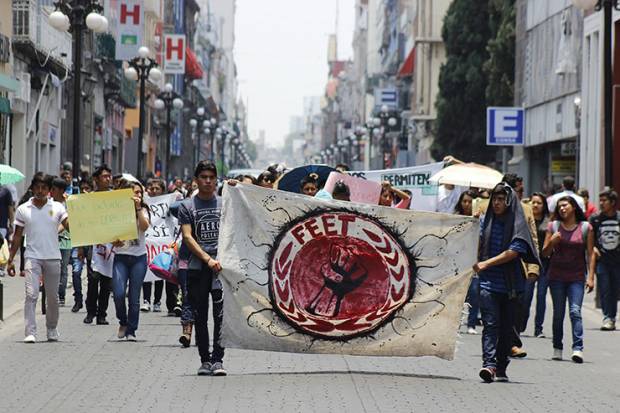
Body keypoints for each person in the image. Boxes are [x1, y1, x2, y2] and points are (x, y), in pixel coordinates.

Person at [473, 183, 540, 383]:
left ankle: (501, 365)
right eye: (494, 199)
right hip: (488, 284)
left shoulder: (518, 223)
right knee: (490, 325)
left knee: (506, 329)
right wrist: (473, 226)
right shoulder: (486, 221)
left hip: (511, 287)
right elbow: (474, 243)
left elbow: (514, 251)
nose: (497, 203)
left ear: (509, 201)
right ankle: (489, 365)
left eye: (501, 199)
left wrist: (486, 263)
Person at [7, 173, 69, 343]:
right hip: (32, 256)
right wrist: (11, 259)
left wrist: (72, 205)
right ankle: (30, 331)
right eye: (37, 187)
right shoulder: (23, 209)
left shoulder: (57, 207)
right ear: (32, 188)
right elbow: (18, 236)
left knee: (52, 297)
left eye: (44, 188)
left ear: (50, 190)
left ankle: (51, 328)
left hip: (53, 257)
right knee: (31, 294)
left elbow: (70, 225)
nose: (40, 191)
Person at [178, 161, 226, 376]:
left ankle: (218, 360)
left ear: (216, 179)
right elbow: (187, 237)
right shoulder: (187, 207)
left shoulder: (225, 204)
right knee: (200, 315)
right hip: (198, 267)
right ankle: (204, 360)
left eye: (211, 177)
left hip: (221, 269)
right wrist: (207, 259)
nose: (208, 181)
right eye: (203, 177)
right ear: (196, 180)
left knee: (220, 315)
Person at [542, 196, 594, 363]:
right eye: (559, 207)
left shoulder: (585, 227)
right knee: (558, 314)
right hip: (556, 277)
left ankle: (577, 348)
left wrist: (591, 277)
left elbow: (591, 253)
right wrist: (552, 241)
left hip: (577, 277)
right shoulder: (553, 226)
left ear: (573, 207)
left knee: (575, 311)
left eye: (565, 205)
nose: (562, 209)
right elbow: (545, 253)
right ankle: (557, 347)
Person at [112, 181, 150, 341]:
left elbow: (144, 226)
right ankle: (123, 321)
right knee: (118, 293)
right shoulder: (117, 210)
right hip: (121, 257)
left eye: (140, 193)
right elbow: (109, 231)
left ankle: (131, 330)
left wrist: (138, 208)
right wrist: (113, 240)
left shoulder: (144, 210)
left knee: (134, 297)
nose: (138, 195)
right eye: (135, 192)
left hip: (138, 259)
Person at [82, 165, 114, 323]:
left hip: (110, 246)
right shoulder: (89, 198)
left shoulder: (116, 198)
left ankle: (102, 314)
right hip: (92, 246)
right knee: (93, 280)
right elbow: (83, 223)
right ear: (96, 179)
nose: (108, 179)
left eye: (109, 176)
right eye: (104, 176)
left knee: (107, 282)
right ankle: (90, 312)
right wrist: (81, 248)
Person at [589, 188, 620, 331]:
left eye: (604, 200)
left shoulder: (619, 218)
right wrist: (593, 248)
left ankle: (612, 316)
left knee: (615, 289)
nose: (601, 203)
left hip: (617, 261)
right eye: (600, 200)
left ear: (612, 202)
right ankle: (608, 318)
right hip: (602, 260)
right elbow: (590, 239)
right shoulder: (595, 219)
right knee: (605, 289)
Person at [521, 192, 550, 338]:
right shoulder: (526, 219)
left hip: (545, 264)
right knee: (526, 295)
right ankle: (522, 324)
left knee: (541, 295)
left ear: (544, 205)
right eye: (533, 202)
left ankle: (538, 328)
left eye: (539, 203)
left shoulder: (548, 222)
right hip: (529, 262)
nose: (536, 205)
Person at [455, 190, 479, 334]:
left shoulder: (479, 219)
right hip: (458, 262)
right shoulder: (456, 218)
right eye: (464, 201)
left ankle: (472, 323)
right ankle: (456, 322)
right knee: (458, 295)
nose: (467, 204)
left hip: (474, 262)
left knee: (474, 293)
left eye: (470, 201)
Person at [141, 178, 166, 313]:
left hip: (161, 244)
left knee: (159, 272)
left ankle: (157, 301)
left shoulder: (167, 204)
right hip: (147, 243)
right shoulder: (144, 203)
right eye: (153, 189)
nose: (155, 191)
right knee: (146, 272)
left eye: (158, 189)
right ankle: (145, 300)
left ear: (162, 190)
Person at [51, 178, 72, 307]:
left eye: (53, 189)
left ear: (60, 190)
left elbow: (67, 223)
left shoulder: (68, 203)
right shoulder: (48, 203)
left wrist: (55, 231)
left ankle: (61, 296)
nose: (51, 192)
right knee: (53, 268)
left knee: (63, 269)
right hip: (51, 241)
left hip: (66, 241)